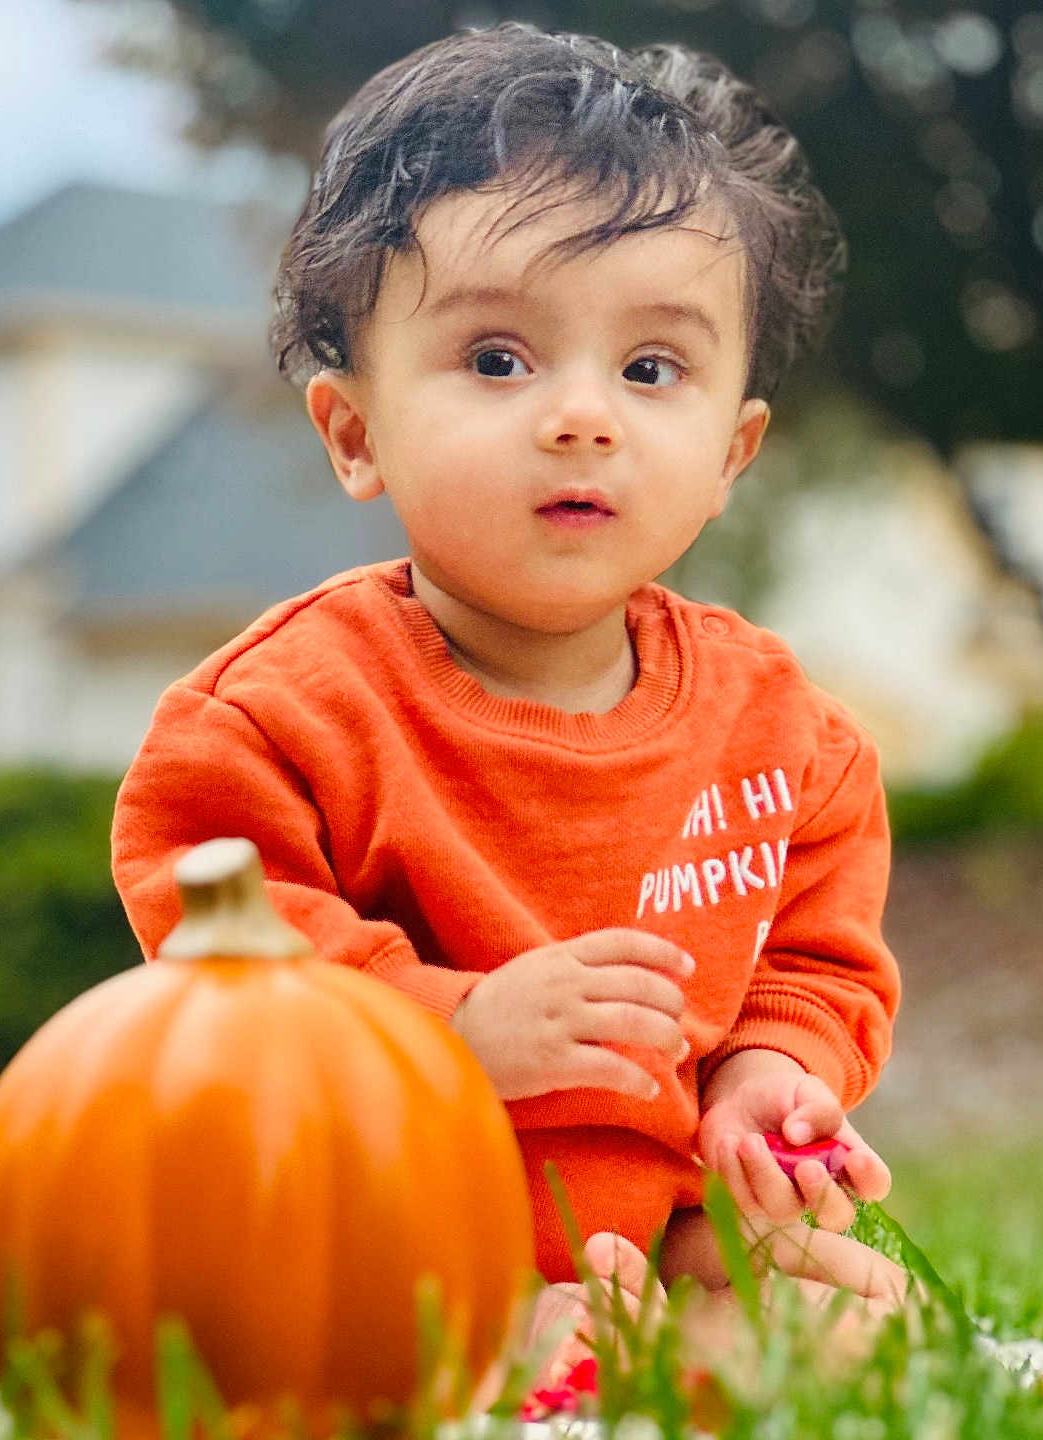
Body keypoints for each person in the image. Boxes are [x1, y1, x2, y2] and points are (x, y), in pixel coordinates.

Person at [111, 20, 906, 1374]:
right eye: (497, 360)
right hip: (388, 1196)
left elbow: (815, 961)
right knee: (347, 1286)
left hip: (657, 1204)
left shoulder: (789, 738)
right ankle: (507, 1334)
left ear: (732, 452)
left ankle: (670, 1327)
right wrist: (455, 1026)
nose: (582, 416)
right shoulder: (280, 717)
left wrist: (774, 1076)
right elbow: (223, 958)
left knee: (835, 1309)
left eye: (651, 369)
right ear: (354, 432)